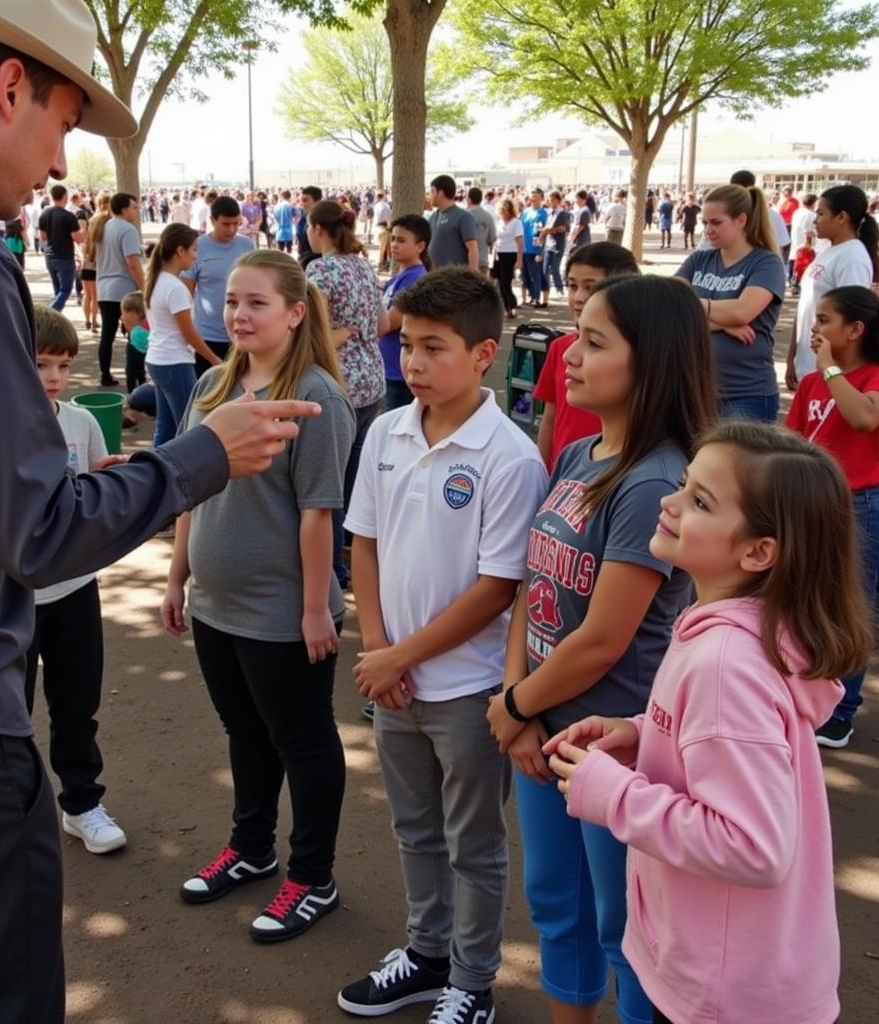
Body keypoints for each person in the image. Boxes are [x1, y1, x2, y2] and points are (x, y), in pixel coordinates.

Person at [0, 4, 324, 1020]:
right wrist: (204, 454)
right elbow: (41, 531)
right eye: (66, 121)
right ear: (9, 88)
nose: (59, 160)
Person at [544, 420, 866, 1024]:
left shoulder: (726, 663)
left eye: (698, 500)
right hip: (735, 972)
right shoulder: (734, 628)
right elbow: (726, 738)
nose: (669, 501)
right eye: (686, 485)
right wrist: (643, 733)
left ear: (757, 551)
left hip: (727, 995)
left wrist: (614, 793)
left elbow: (754, 846)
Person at [488, 274, 716, 1024]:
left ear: (649, 361)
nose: (568, 355)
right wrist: (518, 708)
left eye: (592, 341)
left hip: (615, 749)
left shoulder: (655, 478)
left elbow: (603, 640)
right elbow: (533, 585)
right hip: (545, 731)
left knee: (628, 931)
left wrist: (520, 705)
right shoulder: (580, 453)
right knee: (558, 907)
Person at [339, 267, 547, 1024]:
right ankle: (425, 954)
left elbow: (499, 587)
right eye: (410, 346)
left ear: (485, 353)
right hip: (392, 680)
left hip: (466, 686)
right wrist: (379, 646)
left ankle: (473, 981)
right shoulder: (387, 432)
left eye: (436, 347)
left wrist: (403, 656)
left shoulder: (510, 457)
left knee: (474, 842)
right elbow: (362, 544)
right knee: (413, 827)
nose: (416, 364)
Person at [163, 249, 354, 942]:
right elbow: (186, 487)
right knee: (246, 733)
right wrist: (177, 575)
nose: (238, 314)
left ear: (295, 313)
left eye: (256, 303)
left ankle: (313, 876)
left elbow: (317, 512)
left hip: (281, 613)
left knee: (301, 740)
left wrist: (312, 607)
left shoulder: (317, 398)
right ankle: (251, 849)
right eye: (233, 301)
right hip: (215, 603)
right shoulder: (212, 384)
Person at [26, 305, 126, 855]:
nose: (54, 377)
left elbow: (87, 496)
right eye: (42, 363)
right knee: (6, 714)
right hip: (12, 594)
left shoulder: (80, 421)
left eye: (63, 365)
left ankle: (82, 802)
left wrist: (106, 483)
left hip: (73, 589)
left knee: (76, 704)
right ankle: (11, 814)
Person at [787, 286, 879, 748]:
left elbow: (864, 419)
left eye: (824, 320)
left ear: (856, 329)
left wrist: (831, 370)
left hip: (861, 503)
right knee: (807, 598)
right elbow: (794, 441)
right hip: (815, 502)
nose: (816, 328)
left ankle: (841, 710)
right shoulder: (810, 384)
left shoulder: (869, 377)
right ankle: (810, 694)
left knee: (852, 604)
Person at [306, 199, 387, 589]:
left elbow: (312, 334)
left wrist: (340, 335)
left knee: (329, 486)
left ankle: (335, 570)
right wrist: (357, 332)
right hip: (372, 379)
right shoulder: (363, 266)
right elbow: (383, 322)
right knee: (357, 481)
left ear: (317, 229)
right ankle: (360, 557)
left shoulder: (320, 271)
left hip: (338, 385)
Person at [676, 184, 785, 420]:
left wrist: (692, 305)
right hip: (696, 390)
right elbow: (669, 310)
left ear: (741, 220)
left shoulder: (766, 263)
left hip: (746, 393)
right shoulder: (699, 260)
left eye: (716, 222)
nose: (707, 230)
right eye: (704, 223)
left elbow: (741, 312)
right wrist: (723, 325)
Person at [534, 242, 639, 471]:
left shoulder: (636, 356)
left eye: (591, 287)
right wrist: (541, 472)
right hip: (562, 475)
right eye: (572, 286)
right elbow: (550, 418)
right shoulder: (560, 348)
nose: (579, 297)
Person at [786, 184, 879, 388]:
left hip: (828, 372)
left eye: (820, 213)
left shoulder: (852, 257)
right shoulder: (829, 252)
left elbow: (852, 322)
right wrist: (792, 355)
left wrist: (832, 370)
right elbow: (806, 306)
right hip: (809, 365)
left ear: (841, 217)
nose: (814, 220)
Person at [145, 223, 224, 447]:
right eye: (194, 250)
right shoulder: (175, 287)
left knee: (167, 427)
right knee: (189, 427)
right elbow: (189, 333)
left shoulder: (157, 280)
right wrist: (214, 359)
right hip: (174, 362)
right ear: (180, 251)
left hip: (158, 360)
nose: (196, 256)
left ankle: (155, 474)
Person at [180, 194, 255, 376]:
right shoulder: (198, 247)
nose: (231, 230)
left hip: (242, 331)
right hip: (208, 336)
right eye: (226, 224)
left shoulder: (247, 245)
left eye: (236, 224)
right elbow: (185, 293)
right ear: (213, 220)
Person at [379, 214, 431, 410]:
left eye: (401, 240)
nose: (394, 245)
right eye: (392, 239)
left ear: (420, 246)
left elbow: (388, 324)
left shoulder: (414, 278)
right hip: (390, 368)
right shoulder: (400, 277)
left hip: (398, 373)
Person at [95, 191, 144, 386]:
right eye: (134, 207)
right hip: (124, 289)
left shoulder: (103, 226)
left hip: (104, 288)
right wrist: (145, 288)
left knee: (107, 334)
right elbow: (133, 263)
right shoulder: (128, 229)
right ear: (124, 209)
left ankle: (105, 374)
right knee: (135, 336)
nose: (137, 211)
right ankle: (137, 379)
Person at [38, 183, 83, 310]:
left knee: (57, 290)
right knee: (65, 290)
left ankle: (56, 319)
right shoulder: (69, 216)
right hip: (64, 256)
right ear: (65, 196)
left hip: (49, 255)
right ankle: (50, 313)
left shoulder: (44, 214)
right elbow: (77, 238)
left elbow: (43, 237)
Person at [428, 174, 479, 270]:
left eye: (432, 191)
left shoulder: (464, 217)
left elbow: (472, 248)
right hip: (434, 277)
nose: (429, 195)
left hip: (455, 279)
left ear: (441, 193)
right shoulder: (433, 217)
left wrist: (472, 276)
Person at [81, 192, 110, 333]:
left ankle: (87, 320)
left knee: (87, 295)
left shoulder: (92, 219)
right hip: (95, 263)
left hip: (86, 262)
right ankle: (94, 322)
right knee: (95, 296)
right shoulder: (105, 220)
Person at [494, 197, 524, 317]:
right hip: (500, 254)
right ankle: (507, 306)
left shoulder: (516, 222)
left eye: (504, 211)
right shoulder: (500, 223)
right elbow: (497, 240)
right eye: (501, 211)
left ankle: (511, 304)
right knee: (500, 283)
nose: (502, 214)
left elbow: (519, 241)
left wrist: (519, 258)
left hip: (510, 254)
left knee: (505, 282)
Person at [520, 188, 548, 306]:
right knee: (524, 274)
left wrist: (541, 251)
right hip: (524, 248)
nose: (533, 198)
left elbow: (544, 232)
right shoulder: (525, 212)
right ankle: (527, 297)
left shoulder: (543, 213)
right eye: (532, 196)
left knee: (535, 274)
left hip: (536, 248)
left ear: (541, 198)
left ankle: (536, 298)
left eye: (536, 196)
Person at [540, 190, 570, 296]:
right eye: (549, 199)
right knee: (545, 268)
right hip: (548, 243)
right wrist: (547, 231)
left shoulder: (561, 213)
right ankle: (545, 288)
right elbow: (549, 227)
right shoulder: (548, 212)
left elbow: (562, 228)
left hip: (558, 244)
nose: (550, 201)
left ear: (557, 200)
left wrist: (547, 230)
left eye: (552, 199)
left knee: (555, 267)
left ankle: (559, 288)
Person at [120, 288, 149, 395]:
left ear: (136, 314)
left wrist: (130, 393)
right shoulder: (150, 326)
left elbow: (131, 370)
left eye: (124, 313)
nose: (121, 317)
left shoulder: (136, 334)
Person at [466, 186, 497, 277]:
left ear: (469, 199)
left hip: (467, 260)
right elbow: (493, 238)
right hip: (483, 258)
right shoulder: (488, 216)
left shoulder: (464, 216)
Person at [297, 184, 323, 269]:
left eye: (305, 200)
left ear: (317, 201)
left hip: (316, 265)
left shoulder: (324, 222)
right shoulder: (303, 219)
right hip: (304, 263)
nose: (302, 204)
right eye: (301, 200)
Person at [274, 189, 296, 253]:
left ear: (282, 196)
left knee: (280, 253)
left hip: (279, 231)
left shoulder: (276, 206)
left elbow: (275, 218)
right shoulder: (291, 206)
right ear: (289, 196)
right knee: (289, 252)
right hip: (289, 231)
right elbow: (296, 217)